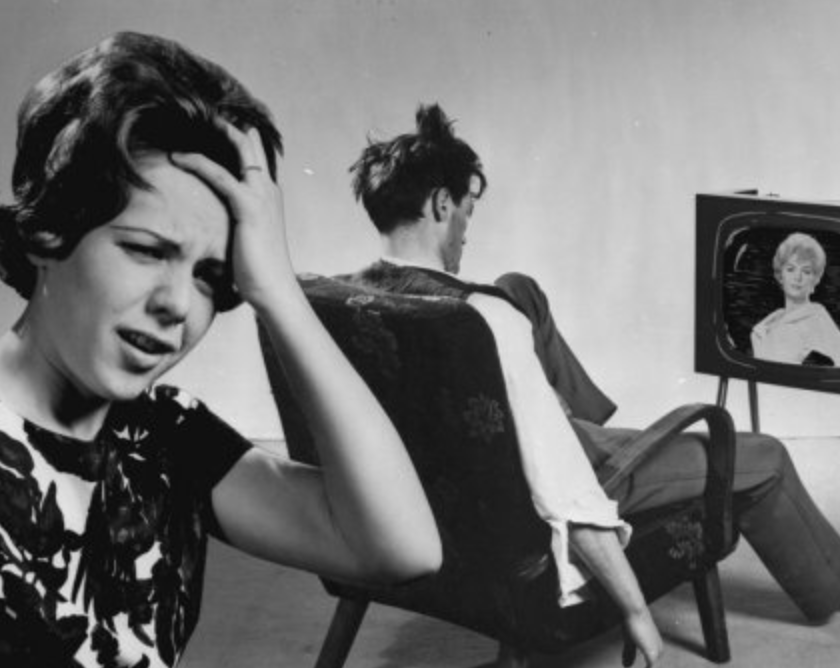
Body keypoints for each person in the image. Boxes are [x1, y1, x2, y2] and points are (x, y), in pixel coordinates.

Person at [0, 32, 442, 668]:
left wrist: (278, 293)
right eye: (146, 250)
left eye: (210, 276)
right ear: (49, 231)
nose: (177, 304)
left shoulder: (166, 436)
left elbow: (401, 549)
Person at [345, 104, 840, 667]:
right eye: (467, 212)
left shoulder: (339, 301)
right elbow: (567, 493)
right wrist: (635, 609)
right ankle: (832, 587)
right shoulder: (483, 321)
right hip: (575, 476)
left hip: (451, 483)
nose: (466, 233)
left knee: (517, 287)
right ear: (440, 204)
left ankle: (568, 415)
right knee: (767, 456)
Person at [751, 232, 840, 365]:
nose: (797, 277)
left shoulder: (818, 319)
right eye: (791, 269)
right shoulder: (768, 324)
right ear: (781, 275)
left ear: (815, 279)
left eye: (806, 271)